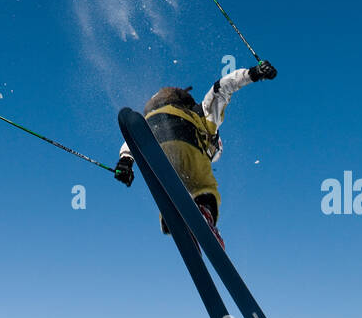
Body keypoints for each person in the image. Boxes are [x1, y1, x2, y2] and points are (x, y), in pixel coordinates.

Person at [114, 61, 277, 240]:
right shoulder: (203, 114)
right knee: (203, 185)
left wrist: (125, 161)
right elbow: (222, 88)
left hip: (153, 146)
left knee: (174, 188)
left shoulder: (152, 114)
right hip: (185, 140)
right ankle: (205, 211)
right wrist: (253, 73)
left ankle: (171, 219)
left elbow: (136, 135)